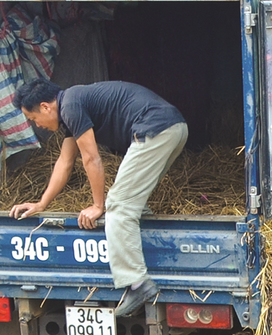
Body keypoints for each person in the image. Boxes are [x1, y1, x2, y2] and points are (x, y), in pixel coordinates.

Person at [11, 79, 188, 317]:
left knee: (118, 207)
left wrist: (98, 205)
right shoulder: (72, 106)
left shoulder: (71, 107)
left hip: (155, 129)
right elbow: (64, 163)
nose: (37, 126)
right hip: (173, 127)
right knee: (131, 203)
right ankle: (134, 242)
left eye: (33, 119)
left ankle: (137, 283)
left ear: (45, 107)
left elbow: (92, 159)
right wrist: (42, 203)